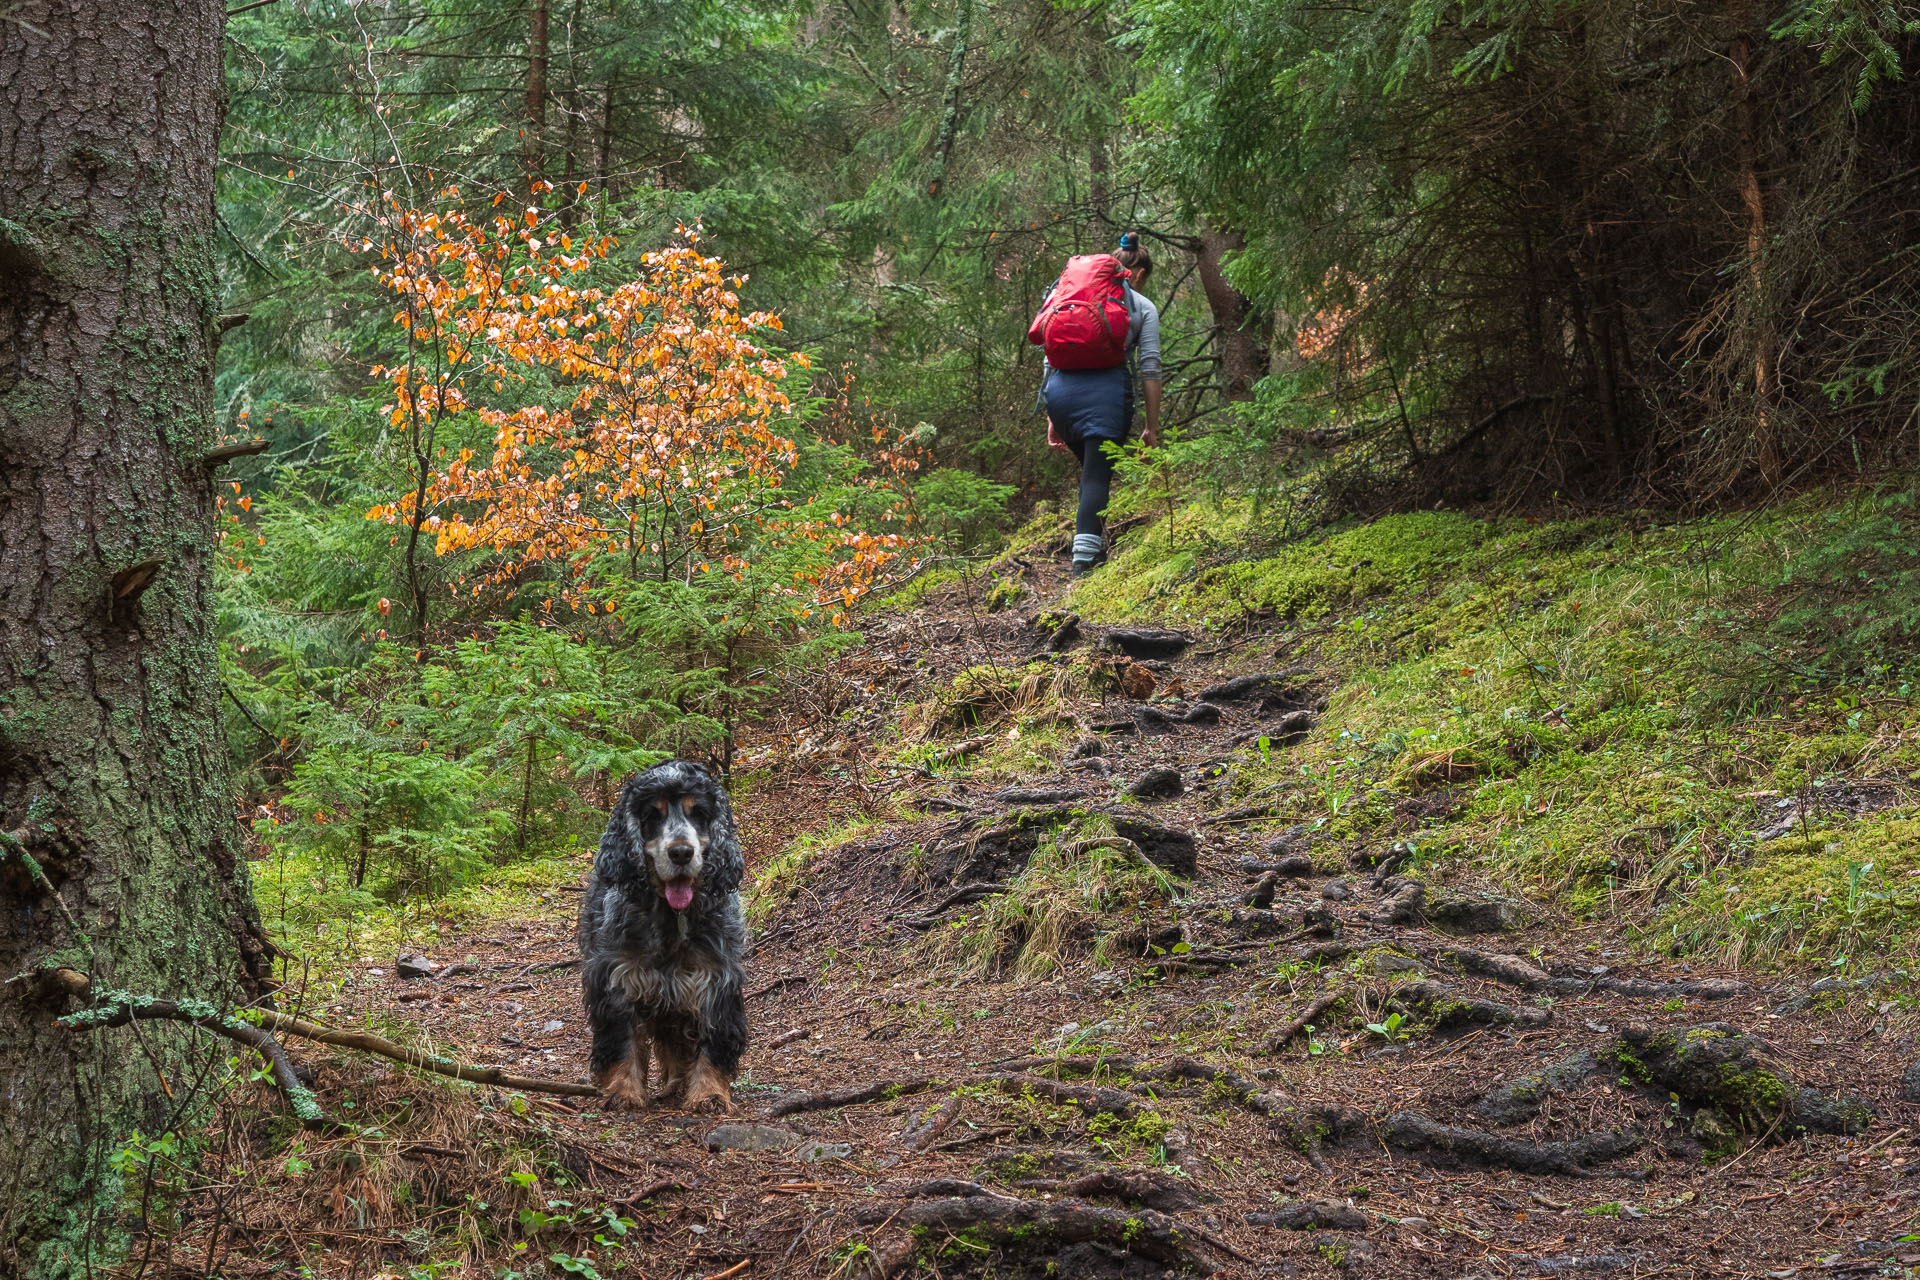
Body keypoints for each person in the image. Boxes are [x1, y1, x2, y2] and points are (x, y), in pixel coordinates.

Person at [1039, 234, 1161, 575]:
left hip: (1061, 394)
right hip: (1107, 396)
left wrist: (1052, 414)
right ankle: (1083, 566)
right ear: (1137, 274)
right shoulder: (1141, 306)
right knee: (1096, 478)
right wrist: (1151, 426)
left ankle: (1093, 544)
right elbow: (1150, 367)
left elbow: (1049, 357)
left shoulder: (1065, 297)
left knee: (1093, 473)